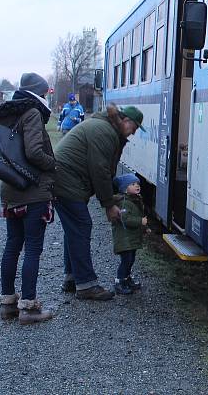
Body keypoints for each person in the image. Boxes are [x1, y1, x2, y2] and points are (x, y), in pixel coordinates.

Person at [53, 104, 145, 300]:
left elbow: (102, 171)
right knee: (81, 227)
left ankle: (72, 278)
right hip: (67, 180)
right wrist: (109, 204)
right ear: (126, 121)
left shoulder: (105, 127)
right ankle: (86, 284)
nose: (133, 133)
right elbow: (100, 170)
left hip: (63, 179)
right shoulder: (105, 132)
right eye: (134, 129)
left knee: (74, 229)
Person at [0, 72, 55, 324]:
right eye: (46, 92)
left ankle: (7, 305)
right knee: (33, 249)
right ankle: (28, 308)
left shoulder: (7, 114)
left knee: (12, 245)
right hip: (33, 192)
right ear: (39, 92)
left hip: (10, 190)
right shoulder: (32, 113)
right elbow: (35, 153)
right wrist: (53, 165)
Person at [111, 173, 148, 295]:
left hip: (130, 238)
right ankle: (119, 281)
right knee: (126, 260)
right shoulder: (125, 202)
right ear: (125, 189)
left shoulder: (134, 199)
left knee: (130, 259)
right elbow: (125, 219)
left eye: (137, 184)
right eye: (133, 184)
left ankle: (127, 279)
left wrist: (144, 227)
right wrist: (140, 221)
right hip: (124, 238)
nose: (137, 186)